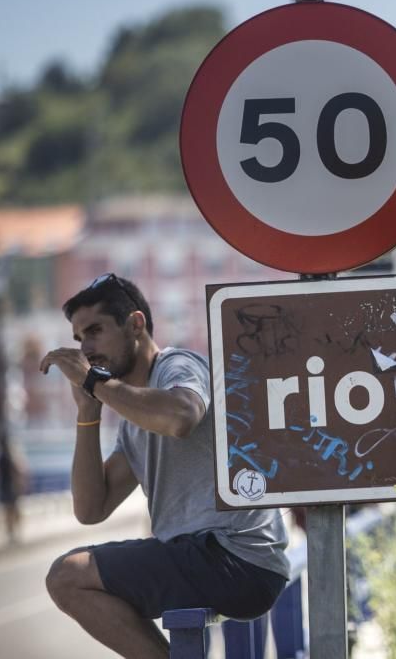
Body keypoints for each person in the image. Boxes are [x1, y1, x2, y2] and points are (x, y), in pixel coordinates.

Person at [41, 273, 288, 658]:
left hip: (234, 555)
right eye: (78, 339)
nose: (86, 349)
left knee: (68, 576)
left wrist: (93, 382)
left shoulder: (178, 366)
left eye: (95, 331)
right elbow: (91, 509)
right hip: (213, 559)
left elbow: (180, 417)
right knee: (67, 578)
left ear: (135, 324)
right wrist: (88, 412)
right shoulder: (133, 417)